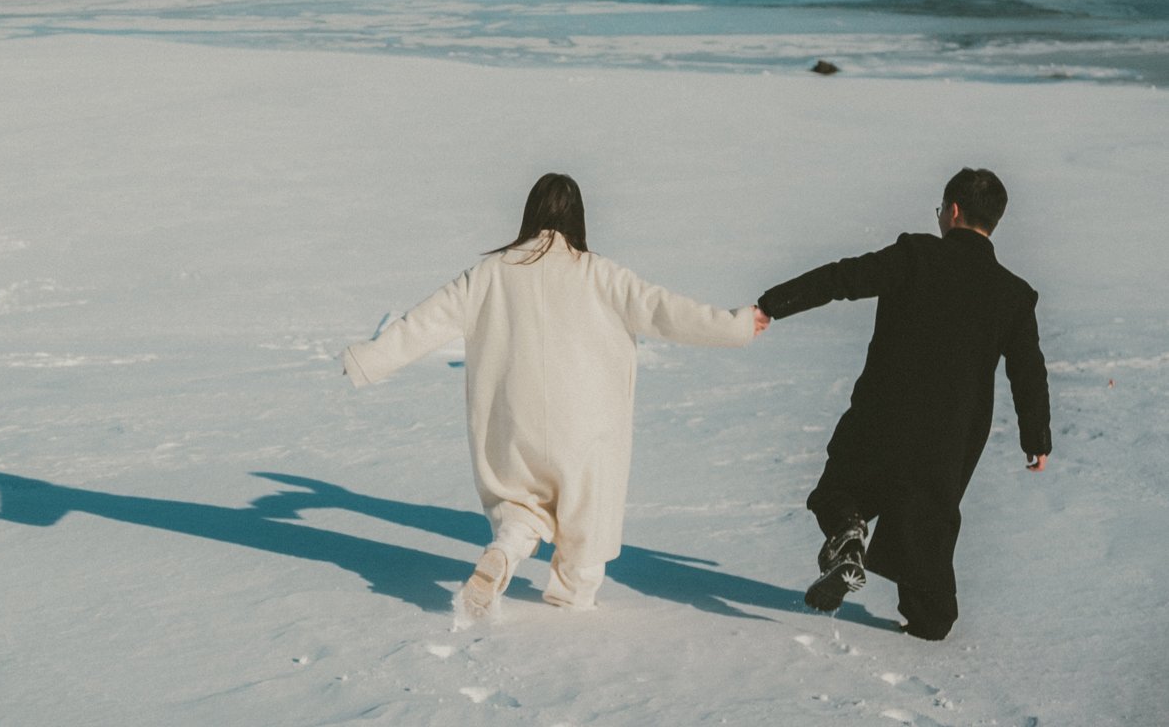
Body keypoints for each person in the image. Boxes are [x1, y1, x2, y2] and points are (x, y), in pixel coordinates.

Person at [343, 172, 765, 619]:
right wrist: (736, 324)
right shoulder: (602, 275)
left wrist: (368, 359)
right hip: (587, 425)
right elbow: (668, 311)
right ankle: (572, 600)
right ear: (579, 218)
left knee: (521, 506)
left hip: (513, 420)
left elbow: (423, 323)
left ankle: (505, 550)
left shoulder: (488, 274)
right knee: (587, 512)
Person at [757, 167, 1050, 641]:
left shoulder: (916, 255)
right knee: (927, 546)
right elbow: (1028, 371)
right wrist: (1036, 437)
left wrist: (773, 303)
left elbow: (842, 277)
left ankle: (849, 535)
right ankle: (928, 618)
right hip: (947, 442)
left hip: (879, 419)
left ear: (952, 210)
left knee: (838, 493)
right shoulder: (1013, 295)